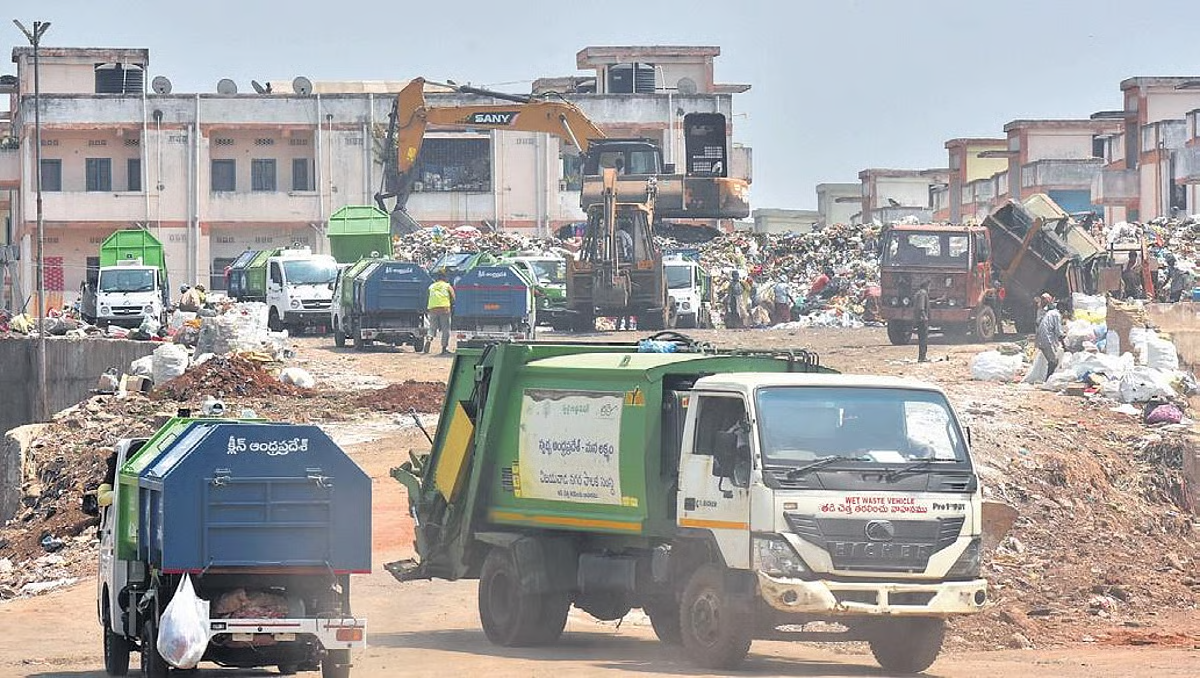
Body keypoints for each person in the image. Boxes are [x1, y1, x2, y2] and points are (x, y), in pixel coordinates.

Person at [1036, 300, 1068, 381]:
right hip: (1047, 339)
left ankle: (1048, 379)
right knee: (1054, 361)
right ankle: (1048, 380)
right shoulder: (1056, 315)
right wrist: (1065, 346)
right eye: (1064, 309)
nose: (1064, 311)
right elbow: (1058, 332)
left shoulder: (1050, 313)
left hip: (1041, 338)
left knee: (1051, 360)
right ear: (1061, 307)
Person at [427, 272, 455, 355]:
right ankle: (444, 348)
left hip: (432, 308)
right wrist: (452, 306)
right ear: (445, 278)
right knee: (445, 329)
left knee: (432, 327)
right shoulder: (447, 286)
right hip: (444, 309)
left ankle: (429, 338)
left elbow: (428, 296)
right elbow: (453, 297)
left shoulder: (431, 286)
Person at [913, 280, 930, 363]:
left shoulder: (918, 293)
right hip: (922, 320)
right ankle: (922, 357)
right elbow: (921, 307)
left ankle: (922, 357)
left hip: (919, 319)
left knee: (921, 339)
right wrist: (925, 317)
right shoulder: (923, 293)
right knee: (923, 339)